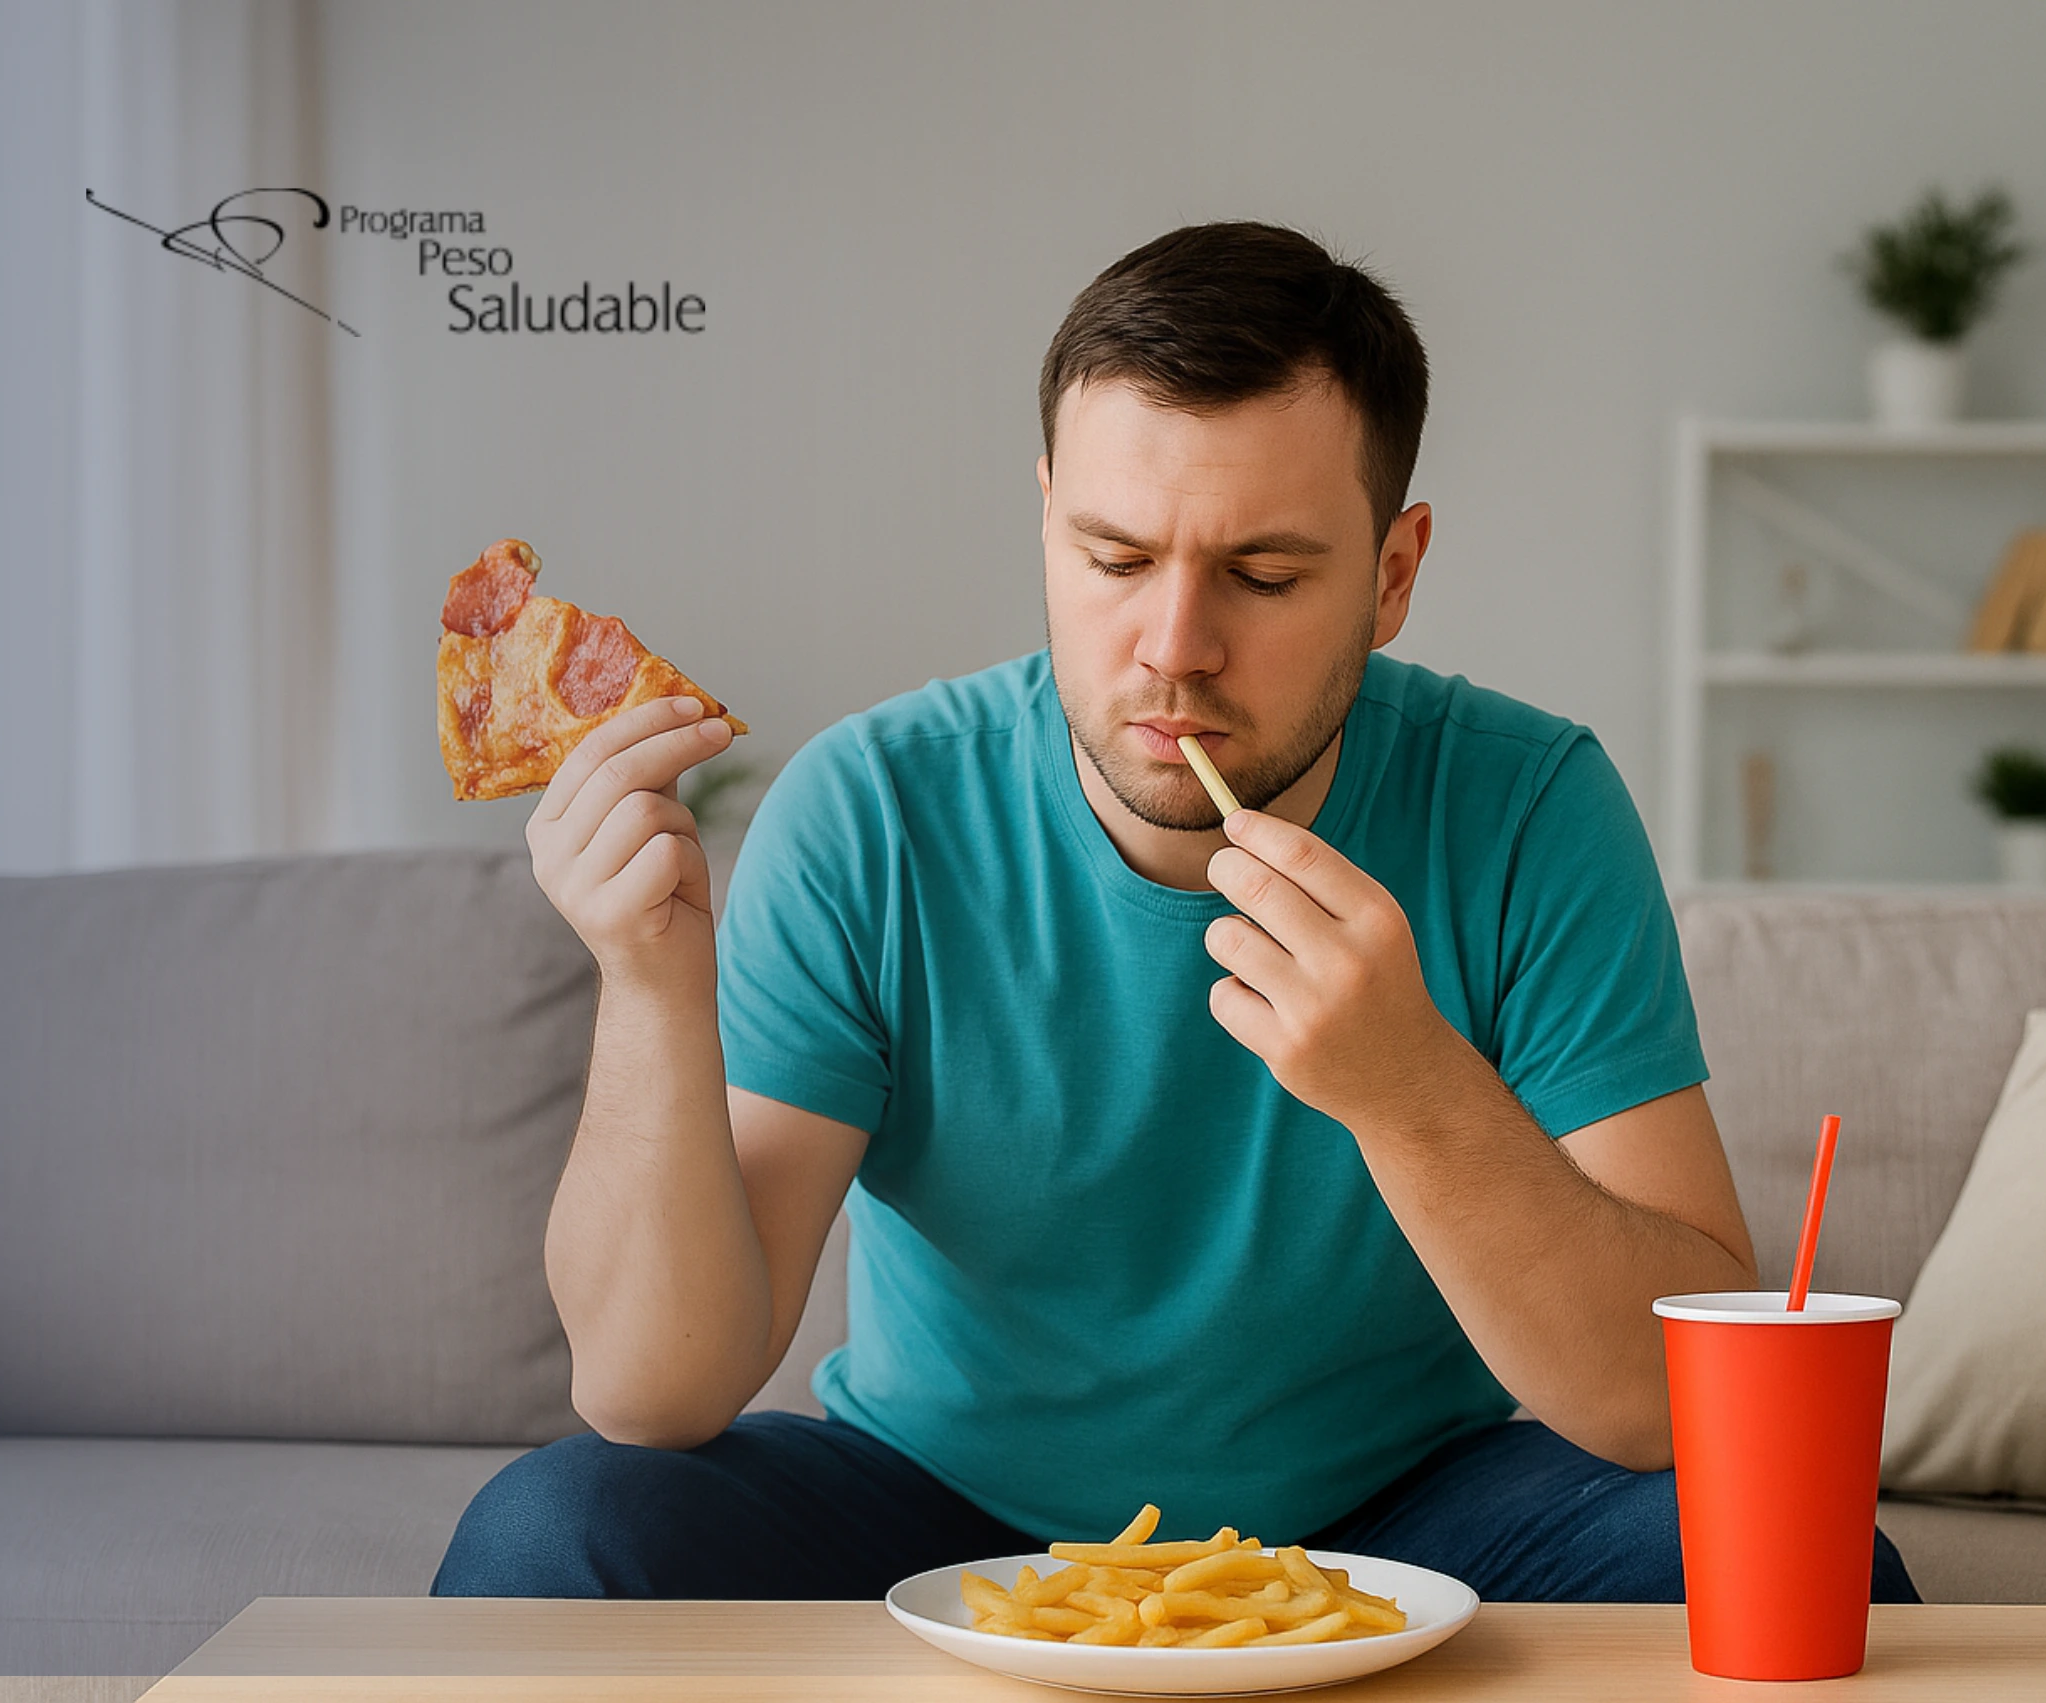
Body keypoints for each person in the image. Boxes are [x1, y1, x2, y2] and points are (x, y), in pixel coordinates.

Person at [432, 221, 1918, 1604]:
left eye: (1264, 574)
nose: (1174, 647)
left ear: (1392, 576)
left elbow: (1674, 1399)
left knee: (1791, 1554)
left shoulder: (1528, 806)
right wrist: (645, 983)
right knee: (553, 1535)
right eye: (1115, 558)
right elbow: (653, 1389)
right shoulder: (871, 811)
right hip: (941, 1507)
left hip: (1409, 1513)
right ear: (1044, 525)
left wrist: (1409, 1092)